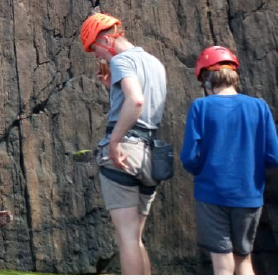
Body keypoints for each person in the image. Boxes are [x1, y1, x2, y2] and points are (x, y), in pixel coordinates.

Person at [181, 46, 278, 275]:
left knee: (222, 264)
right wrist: (250, 170)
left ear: (207, 78)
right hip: (248, 194)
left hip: (211, 193)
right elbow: (275, 157)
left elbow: (188, 157)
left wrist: (202, 170)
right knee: (244, 260)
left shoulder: (201, 107)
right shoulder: (259, 107)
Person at [79, 12, 168, 275]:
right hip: (151, 156)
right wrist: (112, 89)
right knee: (136, 237)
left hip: (124, 152)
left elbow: (136, 101)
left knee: (126, 237)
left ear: (105, 39)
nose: (95, 55)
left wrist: (115, 141)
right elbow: (146, 104)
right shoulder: (154, 63)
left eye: (94, 48)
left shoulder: (121, 61)